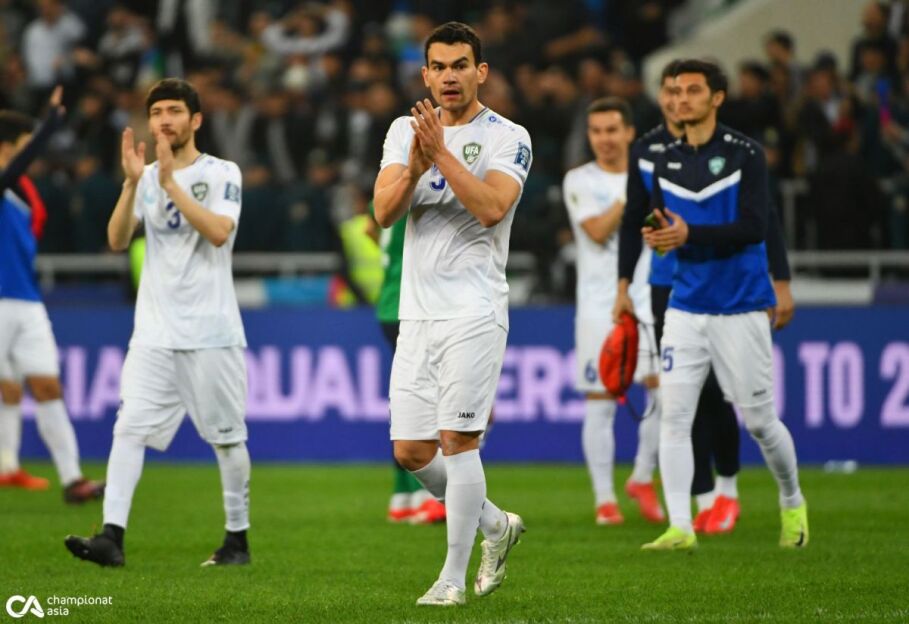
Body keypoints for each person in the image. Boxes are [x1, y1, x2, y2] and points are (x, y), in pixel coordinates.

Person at [616, 59, 807, 551]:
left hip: (741, 304)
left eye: (693, 91)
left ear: (717, 98)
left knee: (760, 422)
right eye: (675, 91)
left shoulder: (746, 154)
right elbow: (662, 223)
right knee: (675, 416)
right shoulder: (664, 160)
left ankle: (792, 500)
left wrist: (688, 235)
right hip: (686, 304)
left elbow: (754, 226)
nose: (682, 99)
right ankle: (681, 526)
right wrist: (658, 236)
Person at [373, 22, 530, 606]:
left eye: (460, 65)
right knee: (412, 451)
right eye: (438, 67)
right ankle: (496, 524)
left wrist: (440, 153)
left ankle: (451, 580)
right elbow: (384, 212)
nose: (449, 76)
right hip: (417, 314)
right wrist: (416, 165)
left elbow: (492, 208)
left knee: (459, 440)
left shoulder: (508, 136)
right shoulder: (403, 131)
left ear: (480, 72)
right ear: (425, 75)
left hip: (474, 310)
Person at [64, 78, 251, 567]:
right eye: (156, 113)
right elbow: (117, 240)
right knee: (129, 428)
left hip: (210, 332)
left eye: (174, 111)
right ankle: (111, 537)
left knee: (227, 438)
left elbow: (218, 232)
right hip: (153, 332)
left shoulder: (222, 172)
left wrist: (169, 184)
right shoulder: (145, 177)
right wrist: (132, 184)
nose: (164, 120)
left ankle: (237, 540)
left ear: (196, 120)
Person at [562, 96, 664, 526]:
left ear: (629, 133)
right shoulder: (579, 180)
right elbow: (599, 231)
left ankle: (642, 476)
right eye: (596, 131)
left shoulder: (653, 175)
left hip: (649, 298)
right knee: (601, 400)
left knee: (664, 391)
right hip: (599, 306)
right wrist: (634, 195)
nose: (603, 139)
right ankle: (605, 499)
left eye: (611, 130)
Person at [0, 89, 104, 503]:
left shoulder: (19, 189)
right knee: (9, 389)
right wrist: (51, 124)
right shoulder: (8, 181)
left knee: (47, 386)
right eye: (27, 144)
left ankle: (72, 479)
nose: (33, 153)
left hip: (27, 301)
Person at [371, 200, 446, 525]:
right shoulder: (418, 198)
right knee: (428, 399)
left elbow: (376, 230)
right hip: (413, 305)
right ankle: (426, 495)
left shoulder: (386, 200)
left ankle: (402, 495)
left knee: (406, 397)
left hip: (389, 304)